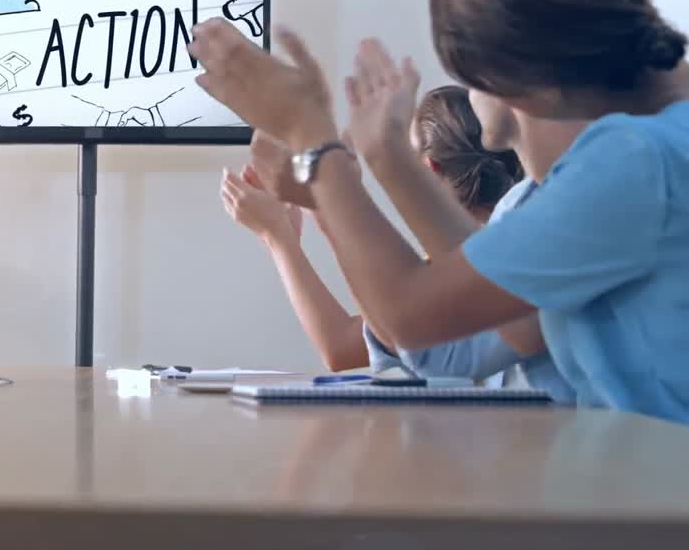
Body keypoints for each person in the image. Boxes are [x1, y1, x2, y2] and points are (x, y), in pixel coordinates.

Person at [191, 0, 689, 422]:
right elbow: (516, 321)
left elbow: (411, 316)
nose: (471, 97)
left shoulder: (631, 160)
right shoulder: (659, 143)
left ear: (528, 83)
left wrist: (311, 137)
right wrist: (383, 155)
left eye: (474, 79)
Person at [221, 84, 524, 375]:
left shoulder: (456, 272)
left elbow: (339, 347)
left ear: (428, 169)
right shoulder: (523, 231)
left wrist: (280, 236)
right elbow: (346, 343)